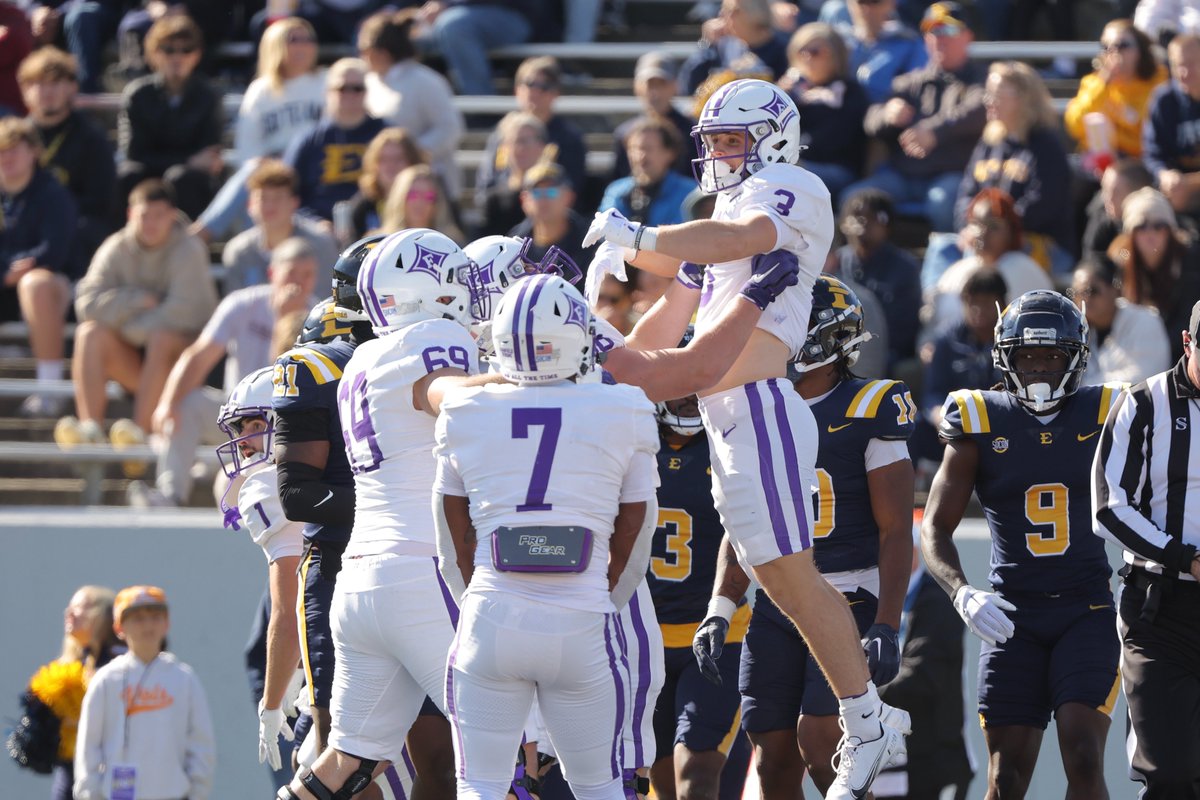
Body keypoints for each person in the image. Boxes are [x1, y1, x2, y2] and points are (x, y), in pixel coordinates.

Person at [582, 77, 909, 799]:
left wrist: (637, 236)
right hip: (728, 414)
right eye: (713, 143)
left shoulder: (792, 189)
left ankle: (866, 717)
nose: (720, 155)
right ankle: (865, 713)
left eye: (732, 141)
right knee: (780, 581)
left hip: (758, 403)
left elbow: (742, 239)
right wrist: (586, 308)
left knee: (792, 574)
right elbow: (670, 309)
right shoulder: (724, 212)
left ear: (772, 140)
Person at [278, 228, 494, 800]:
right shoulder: (433, 341)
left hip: (361, 583)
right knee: (513, 742)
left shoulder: (363, 358)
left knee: (347, 761)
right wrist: (525, 376)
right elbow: (454, 397)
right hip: (425, 573)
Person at [435, 272, 660, 800]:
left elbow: (451, 535)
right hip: (581, 619)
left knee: (481, 789)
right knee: (599, 790)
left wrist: (478, 598)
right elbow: (636, 529)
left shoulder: (464, 412)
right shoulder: (625, 408)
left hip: (490, 616)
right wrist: (599, 597)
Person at [697, 275, 914, 798]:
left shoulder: (870, 405)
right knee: (771, 754)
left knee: (822, 739)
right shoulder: (754, 408)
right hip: (778, 599)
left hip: (850, 594)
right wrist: (721, 607)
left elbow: (896, 529)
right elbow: (744, 522)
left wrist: (886, 622)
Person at [922, 290, 1121, 799]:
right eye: (1027, 356)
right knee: (1005, 775)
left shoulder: (1107, 410)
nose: (1038, 369)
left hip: (1087, 608)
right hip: (1012, 613)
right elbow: (936, 527)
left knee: (1083, 751)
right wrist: (962, 592)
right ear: (1004, 358)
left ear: (1074, 358)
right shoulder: (980, 418)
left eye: (1051, 356)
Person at [270, 236, 378, 766]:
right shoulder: (318, 368)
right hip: (344, 562)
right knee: (340, 748)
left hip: (429, 566)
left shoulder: (439, 357)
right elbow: (297, 494)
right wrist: (391, 507)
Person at [1092, 298, 1200, 799]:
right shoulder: (1142, 403)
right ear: (1187, 343)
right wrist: (1186, 557)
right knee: (1169, 771)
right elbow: (1109, 506)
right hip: (1161, 611)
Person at [641, 343, 751, 800]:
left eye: (697, 378)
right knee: (658, 784)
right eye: (678, 379)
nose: (689, 393)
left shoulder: (731, 446)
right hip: (641, 636)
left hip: (717, 635)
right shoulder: (632, 440)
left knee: (698, 776)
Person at [138, 238, 318, 508]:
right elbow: (199, 356)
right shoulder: (242, 304)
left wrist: (285, 321)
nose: (298, 283)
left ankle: (219, 472)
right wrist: (167, 404)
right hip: (237, 417)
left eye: (307, 275)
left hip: (287, 426)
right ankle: (170, 495)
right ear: (273, 273)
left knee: (230, 483)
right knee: (187, 404)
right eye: (291, 272)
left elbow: (281, 380)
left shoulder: (319, 317)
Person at [56, 179, 216, 450]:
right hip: (135, 362)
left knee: (163, 338)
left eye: (159, 216)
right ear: (131, 214)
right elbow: (86, 304)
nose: (151, 223)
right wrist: (136, 300)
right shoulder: (115, 247)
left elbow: (184, 315)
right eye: (144, 216)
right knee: (89, 333)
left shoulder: (190, 250)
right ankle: (90, 430)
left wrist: (125, 324)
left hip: (182, 369)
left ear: (172, 215)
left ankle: (139, 436)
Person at [214, 367, 306, 776]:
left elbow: (288, 613)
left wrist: (270, 705)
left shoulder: (270, 486)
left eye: (255, 424)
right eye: (240, 428)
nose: (244, 440)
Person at [843, 1, 986, 233]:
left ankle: (952, 264)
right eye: (932, 31)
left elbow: (980, 109)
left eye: (949, 30)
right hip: (903, 176)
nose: (940, 38)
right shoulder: (909, 82)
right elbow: (871, 119)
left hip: (954, 175)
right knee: (855, 200)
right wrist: (888, 114)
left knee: (943, 202)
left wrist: (934, 132)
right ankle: (860, 267)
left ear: (968, 36)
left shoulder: (981, 79)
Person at [74, 586, 216, 800]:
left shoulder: (184, 678)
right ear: (119, 627)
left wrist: (197, 793)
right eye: (138, 618)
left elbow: (201, 743)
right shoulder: (105, 680)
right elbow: (88, 747)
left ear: (167, 623)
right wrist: (90, 793)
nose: (148, 625)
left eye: (156, 617)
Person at [192, 16, 325, 244]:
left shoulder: (328, 80)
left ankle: (199, 235)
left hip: (315, 164)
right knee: (255, 182)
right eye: (294, 39)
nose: (303, 45)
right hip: (272, 168)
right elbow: (247, 149)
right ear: (275, 44)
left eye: (308, 38)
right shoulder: (261, 90)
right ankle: (251, 252)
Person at [874, 533, 974, 800]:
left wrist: (857, 691)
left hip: (935, 757)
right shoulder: (877, 599)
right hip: (893, 756)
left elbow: (921, 675)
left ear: (914, 554)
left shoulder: (937, 601)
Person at [955, 62, 1074, 274]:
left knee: (984, 262)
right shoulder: (988, 143)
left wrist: (992, 229)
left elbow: (1043, 205)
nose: (988, 100)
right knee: (942, 248)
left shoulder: (1045, 145)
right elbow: (966, 193)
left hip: (1036, 242)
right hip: (983, 238)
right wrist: (971, 228)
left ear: (1024, 98)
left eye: (997, 93)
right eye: (988, 93)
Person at [7, 586, 120, 800]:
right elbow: (37, 751)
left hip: (116, 779)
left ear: (106, 616)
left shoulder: (123, 668)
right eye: (70, 606)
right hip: (71, 781)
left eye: (81, 607)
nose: (69, 612)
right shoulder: (62, 674)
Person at [0, 115, 79, 419]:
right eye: (2, 150)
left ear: (34, 152)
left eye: (14, 149)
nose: (7, 157)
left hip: (53, 288)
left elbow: (53, 252)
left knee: (36, 284)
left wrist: (16, 271)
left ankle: (49, 391)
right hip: (6, 286)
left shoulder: (53, 194)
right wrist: (6, 272)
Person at [18, 46, 116, 281]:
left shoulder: (91, 138)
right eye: (38, 83)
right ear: (24, 90)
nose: (46, 91)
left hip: (75, 229)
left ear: (72, 87)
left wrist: (53, 216)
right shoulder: (15, 138)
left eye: (55, 82)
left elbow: (101, 201)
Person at [117, 15, 222, 220]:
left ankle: (188, 244)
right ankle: (125, 244)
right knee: (127, 175)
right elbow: (133, 152)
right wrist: (186, 159)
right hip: (147, 175)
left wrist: (183, 163)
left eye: (186, 49)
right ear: (153, 54)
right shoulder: (137, 94)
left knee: (182, 177)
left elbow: (209, 157)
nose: (178, 56)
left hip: (189, 181)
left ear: (197, 55)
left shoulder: (209, 95)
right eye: (168, 49)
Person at [359, 8, 464, 198]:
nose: (362, 57)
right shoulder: (369, 82)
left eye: (364, 51)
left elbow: (450, 128)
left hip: (430, 189)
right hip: (385, 189)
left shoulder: (425, 81)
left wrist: (410, 154)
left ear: (381, 52)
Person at [925, 189, 1052, 335]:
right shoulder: (957, 271)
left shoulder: (1025, 271)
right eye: (976, 224)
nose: (982, 233)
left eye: (993, 226)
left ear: (1011, 232)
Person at [477, 57, 587, 211]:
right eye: (529, 84)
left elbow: (572, 191)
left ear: (556, 93)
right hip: (504, 213)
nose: (535, 91)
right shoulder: (500, 135)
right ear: (517, 90)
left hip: (550, 218)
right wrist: (515, 183)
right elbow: (486, 187)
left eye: (544, 86)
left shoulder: (569, 139)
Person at [283, 58, 385, 223]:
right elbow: (287, 194)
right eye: (342, 88)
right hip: (317, 232)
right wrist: (315, 224)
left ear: (367, 92)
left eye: (357, 88)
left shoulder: (385, 135)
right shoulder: (307, 141)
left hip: (377, 226)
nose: (350, 94)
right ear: (327, 92)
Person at [1106, 186, 1200, 362]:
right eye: (1141, 227)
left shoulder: (1191, 263)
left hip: (1180, 355)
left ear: (1170, 231)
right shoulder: (1120, 264)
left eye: (1159, 226)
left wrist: (1152, 344)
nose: (1151, 234)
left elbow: (1189, 324)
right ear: (1130, 234)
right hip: (1133, 352)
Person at [830, 190, 920, 372]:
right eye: (856, 216)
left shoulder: (905, 267)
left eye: (871, 217)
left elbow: (905, 330)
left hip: (886, 351)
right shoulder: (835, 261)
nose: (862, 223)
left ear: (887, 224)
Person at [780, 22, 869, 205]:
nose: (807, 58)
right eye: (801, 51)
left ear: (836, 55)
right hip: (796, 167)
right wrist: (780, 98)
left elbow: (836, 140)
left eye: (815, 52)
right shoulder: (791, 94)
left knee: (787, 172)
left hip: (836, 170)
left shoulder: (849, 93)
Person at [220, 159, 339, 296]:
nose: (270, 206)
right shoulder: (238, 251)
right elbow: (235, 309)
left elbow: (326, 303)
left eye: (278, 198)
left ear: (294, 203)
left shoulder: (321, 244)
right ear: (249, 205)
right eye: (263, 198)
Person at [1064, 20, 1166, 164]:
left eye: (1122, 46)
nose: (1114, 53)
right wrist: (1104, 83)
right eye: (1106, 47)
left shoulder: (1158, 80)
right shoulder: (1094, 83)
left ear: (1140, 50)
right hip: (1102, 164)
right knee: (1096, 121)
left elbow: (1150, 130)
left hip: (1143, 161)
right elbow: (1075, 126)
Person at [1072, 256, 1171, 385]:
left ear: (1115, 289)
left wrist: (1085, 387)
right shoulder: (1078, 330)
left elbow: (1143, 378)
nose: (1084, 299)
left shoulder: (1146, 321)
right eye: (1077, 293)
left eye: (1091, 291)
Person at [610, 52, 698, 183]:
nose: (655, 92)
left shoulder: (693, 131)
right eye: (650, 84)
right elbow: (619, 180)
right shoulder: (624, 133)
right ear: (637, 87)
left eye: (662, 84)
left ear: (675, 86)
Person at [423, 0, 544, 95]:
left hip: (514, 15)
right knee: (412, 32)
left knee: (454, 27)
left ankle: (482, 108)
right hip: (460, 15)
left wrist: (447, 5)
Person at [599, 118, 697, 228]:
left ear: (670, 153)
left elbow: (683, 236)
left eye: (648, 149)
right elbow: (605, 232)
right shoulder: (617, 191)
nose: (640, 156)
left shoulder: (690, 193)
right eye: (634, 148)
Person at [680, 0, 791, 95]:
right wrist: (708, 44)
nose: (724, 17)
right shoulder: (722, 47)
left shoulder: (783, 51)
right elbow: (689, 86)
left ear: (755, 12)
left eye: (732, 11)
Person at [1143, 34, 1200, 214]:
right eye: (1178, 65)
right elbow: (1152, 153)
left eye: (1190, 63)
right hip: (1175, 188)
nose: (1184, 72)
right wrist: (1164, 175)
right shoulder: (1163, 100)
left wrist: (1190, 182)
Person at [510, 162, 596, 276]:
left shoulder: (592, 242)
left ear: (569, 197)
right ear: (523, 200)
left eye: (551, 192)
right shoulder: (513, 245)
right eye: (536, 193)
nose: (544, 199)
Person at [344, 128, 427, 242]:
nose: (390, 165)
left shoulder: (429, 195)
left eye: (398, 159)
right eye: (383, 159)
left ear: (412, 161)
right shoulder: (363, 206)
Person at [478, 112, 550, 238]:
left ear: (542, 146)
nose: (520, 148)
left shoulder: (557, 191)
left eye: (526, 141)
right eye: (514, 142)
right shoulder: (494, 201)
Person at [1082, 158, 1154, 258]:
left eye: (1116, 192)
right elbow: (1092, 258)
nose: (1108, 198)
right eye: (1105, 190)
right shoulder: (1102, 221)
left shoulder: (1155, 226)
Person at [378, 163, 464, 243]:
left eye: (429, 196)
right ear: (399, 199)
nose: (419, 202)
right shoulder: (379, 243)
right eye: (413, 195)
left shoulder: (452, 244)